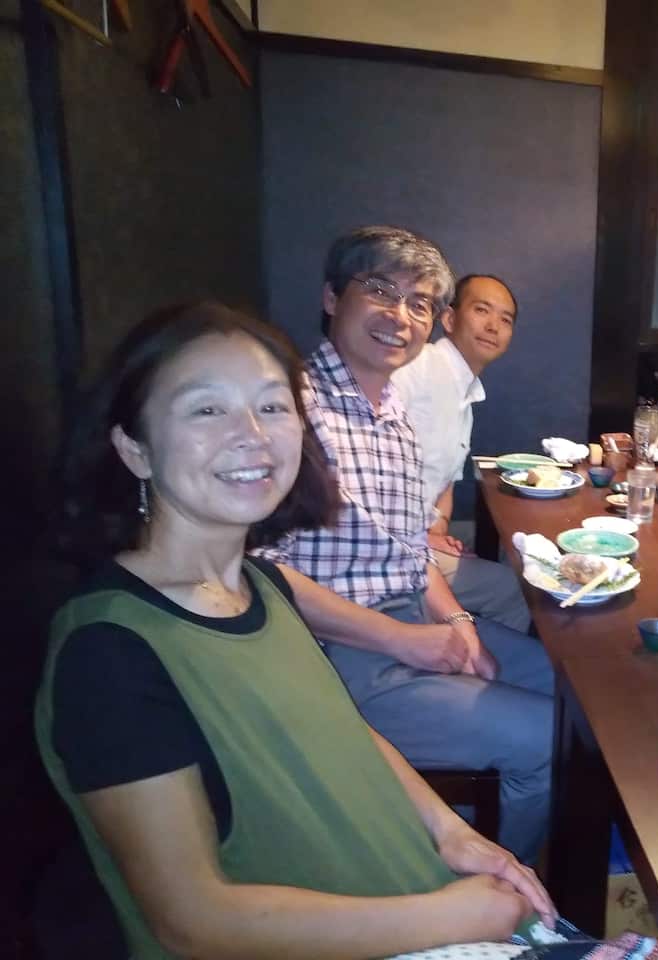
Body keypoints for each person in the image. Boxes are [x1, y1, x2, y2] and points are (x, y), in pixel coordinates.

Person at [36, 302, 555, 960]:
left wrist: (451, 832)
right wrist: (449, 917)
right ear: (134, 448)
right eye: (206, 409)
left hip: (412, 894)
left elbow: (343, 729)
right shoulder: (109, 652)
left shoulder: (263, 587)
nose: (253, 435)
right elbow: (192, 922)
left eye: (272, 407)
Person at [259, 226, 553, 864]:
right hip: (333, 657)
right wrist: (402, 639)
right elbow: (259, 575)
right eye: (380, 291)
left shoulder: (394, 416)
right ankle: (503, 886)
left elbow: (411, 552)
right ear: (332, 297)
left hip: (411, 620)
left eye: (419, 303)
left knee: (575, 696)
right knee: (547, 740)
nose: (401, 316)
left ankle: (499, 839)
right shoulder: (289, 409)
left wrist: (458, 623)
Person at [394, 273, 531, 632]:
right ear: (450, 319)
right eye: (482, 310)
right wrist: (423, 538)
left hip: (420, 538)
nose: (493, 326)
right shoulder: (415, 366)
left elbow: (447, 482)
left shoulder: (466, 394)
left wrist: (438, 528)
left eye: (505, 319)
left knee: (516, 568)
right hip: (388, 546)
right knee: (515, 587)